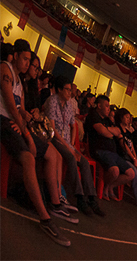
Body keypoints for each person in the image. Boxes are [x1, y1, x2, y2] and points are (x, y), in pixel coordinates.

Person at [0, 39, 73, 246]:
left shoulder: (20, 82)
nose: (26, 63)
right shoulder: (5, 69)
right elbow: (8, 103)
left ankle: (55, 202)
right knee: (28, 157)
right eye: (25, 59)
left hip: (16, 124)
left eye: (29, 60)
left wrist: (25, 128)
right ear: (15, 55)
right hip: (4, 122)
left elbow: (21, 108)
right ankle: (44, 218)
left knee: (52, 153)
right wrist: (23, 130)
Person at [43, 76, 104, 216]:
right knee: (71, 157)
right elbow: (52, 129)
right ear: (59, 89)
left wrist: (71, 143)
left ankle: (91, 197)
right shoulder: (52, 102)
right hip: (54, 139)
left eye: (71, 90)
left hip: (65, 141)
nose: (70, 93)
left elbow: (73, 125)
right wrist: (68, 146)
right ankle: (79, 197)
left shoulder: (69, 104)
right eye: (67, 89)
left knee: (83, 162)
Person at [84, 94, 136, 201]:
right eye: (107, 106)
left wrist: (107, 129)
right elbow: (105, 133)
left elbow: (117, 131)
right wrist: (109, 131)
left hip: (113, 153)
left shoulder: (107, 120)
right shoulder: (93, 116)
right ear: (99, 106)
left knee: (131, 174)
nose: (109, 109)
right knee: (115, 171)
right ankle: (104, 188)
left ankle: (109, 187)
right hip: (99, 150)